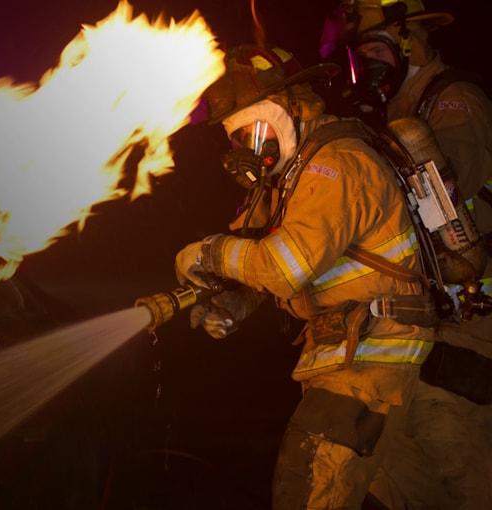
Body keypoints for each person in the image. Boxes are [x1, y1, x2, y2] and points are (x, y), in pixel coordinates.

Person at [169, 43, 440, 508]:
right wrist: (235, 303)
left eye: (254, 130)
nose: (248, 150)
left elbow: (282, 268)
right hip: (363, 361)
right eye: (236, 139)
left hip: (369, 362)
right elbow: (270, 260)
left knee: (305, 490)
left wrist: (208, 252)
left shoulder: (335, 165)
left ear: (298, 109)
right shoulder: (294, 177)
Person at [316, 1, 492, 508]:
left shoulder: (454, 101)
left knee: (463, 480)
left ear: (410, 39)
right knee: (396, 489)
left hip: (464, 338)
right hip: (404, 346)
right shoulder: (389, 116)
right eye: (357, 55)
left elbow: (439, 199)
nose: (364, 66)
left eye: (375, 49)